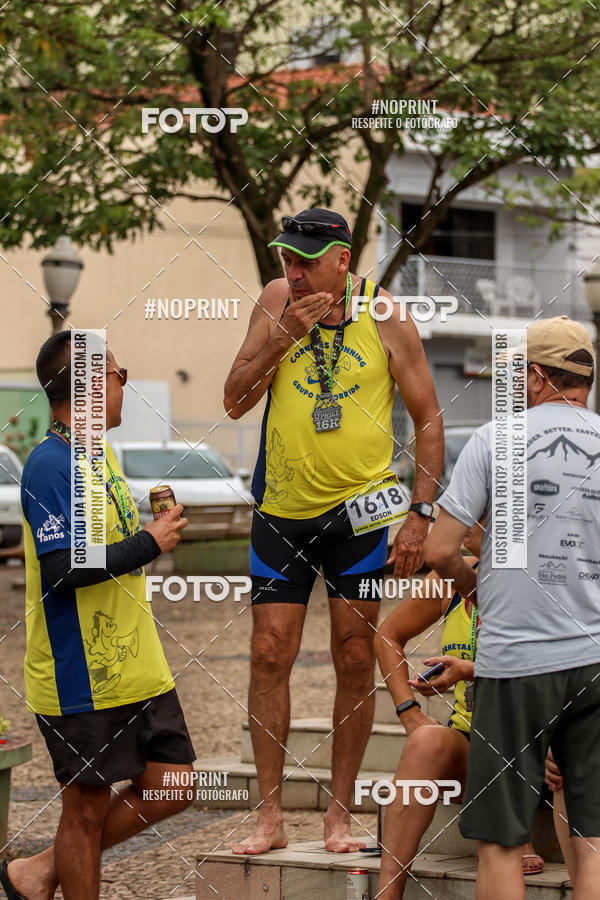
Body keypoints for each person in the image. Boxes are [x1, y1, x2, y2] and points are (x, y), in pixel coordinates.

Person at [223, 208, 443, 854]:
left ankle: (338, 816)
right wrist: (282, 338)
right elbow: (234, 400)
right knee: (269, 652)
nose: (293, 272)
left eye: (306, 261)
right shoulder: (275, 302)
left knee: (352, 653)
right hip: (282, 508)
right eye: (287, 259)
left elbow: (429, 418)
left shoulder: (387, 316)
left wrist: (420, 513)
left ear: (343, 261)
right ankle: (269, 817)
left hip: (362, 514)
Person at [0, 331, 194, 900]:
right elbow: (63, 568)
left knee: (176, 784)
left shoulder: (98, 451)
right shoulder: (48, 466)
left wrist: (149, 536)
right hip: (79, 673)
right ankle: (47, 874)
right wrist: (149, 543)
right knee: (83, 811)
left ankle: (37, 872)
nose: (123, 385)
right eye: (118, 375)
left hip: (138, 665)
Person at [423, 315, 600, 900]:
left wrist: (473, 584)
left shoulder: (495, 439)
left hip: (516, 660)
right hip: (595, 659)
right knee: (593, 840)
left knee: (500, 843)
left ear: (536, 377)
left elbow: (440, 550)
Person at [374, 521, 543, 898]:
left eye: (479, 511)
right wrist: (409, 711)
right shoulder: (451, 576)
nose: (465, 521)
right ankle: (387, 894)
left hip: (540, 746)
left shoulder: (544, 577)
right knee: (424, 742)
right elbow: (387, 635)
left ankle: (519, 832)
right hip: (478, 744)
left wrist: (469, 670)